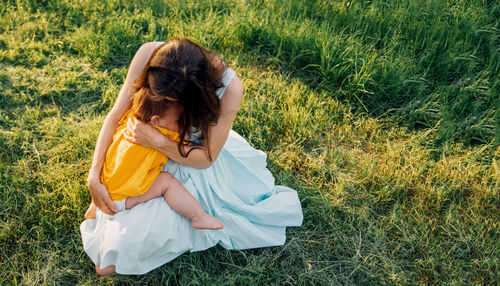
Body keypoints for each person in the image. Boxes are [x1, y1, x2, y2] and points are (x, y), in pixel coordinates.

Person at [80, 38, 303, 276]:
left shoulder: (230, 89)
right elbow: (116, 116)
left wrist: (157, 141)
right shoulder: (150, 55)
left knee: (112, 259)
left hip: (191, 162)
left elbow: (206, 159)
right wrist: (94, 176)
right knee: (111, 244)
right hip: (141, 158)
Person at [84, 86, 224, 230]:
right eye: (179, 120)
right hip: (122, 198)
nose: (182, 125)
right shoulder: (167, 133)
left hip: (106, 182)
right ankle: (198, 217)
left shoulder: (131, 120)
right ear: (156, 121)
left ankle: (94, 208)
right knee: (167, 182)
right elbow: (185, 144)